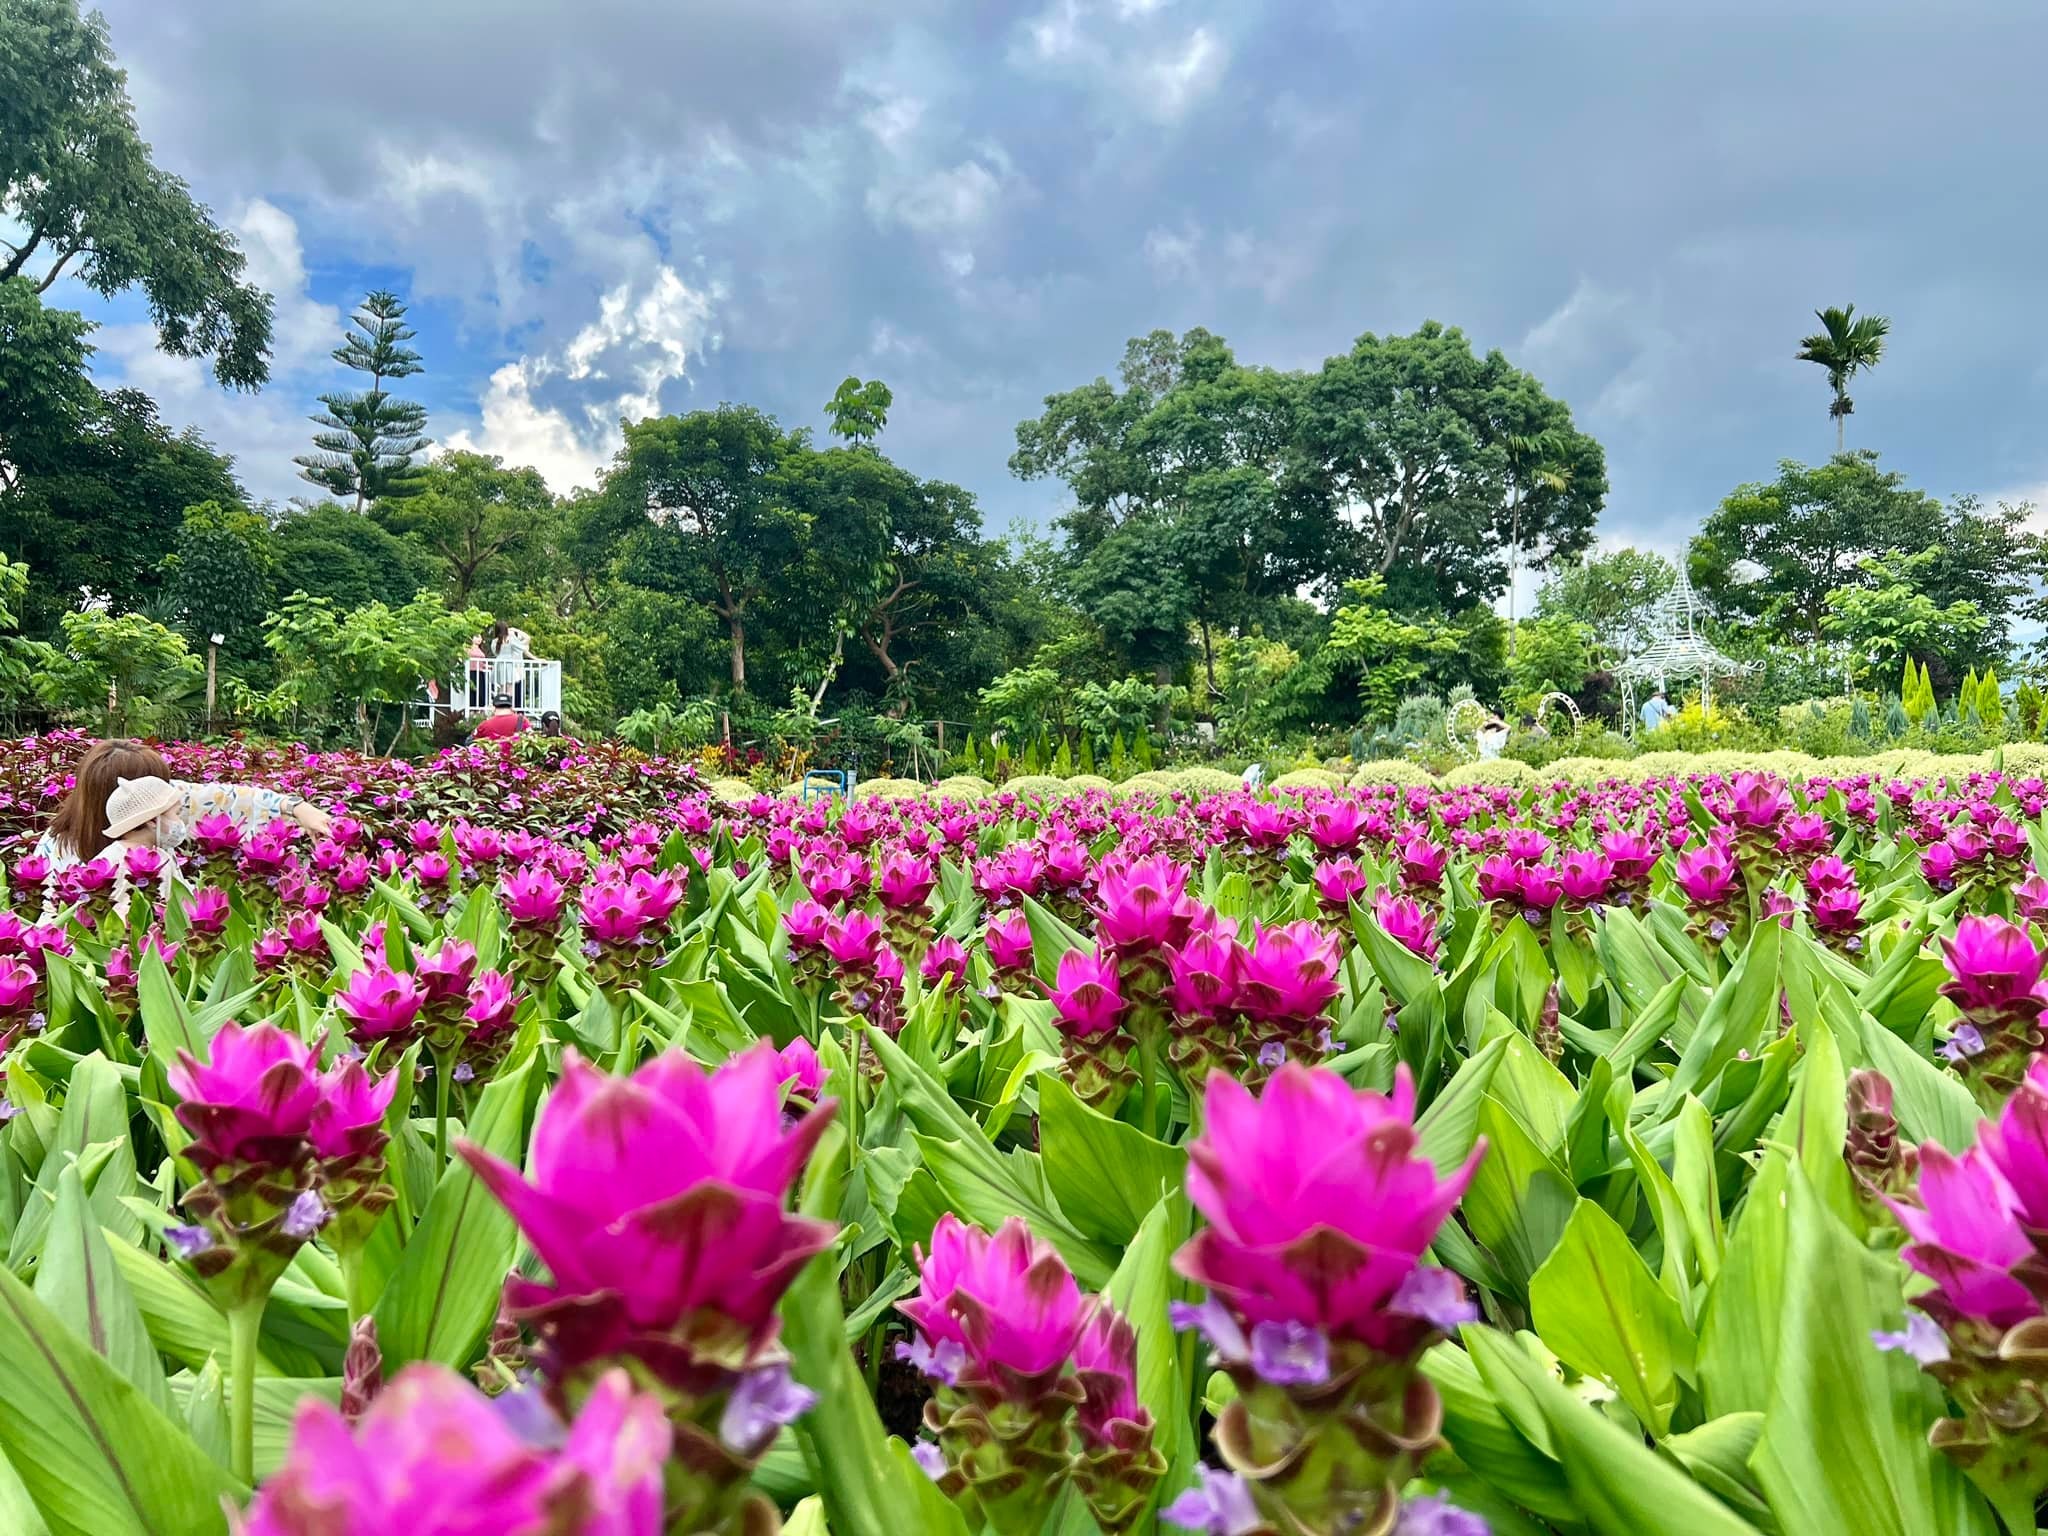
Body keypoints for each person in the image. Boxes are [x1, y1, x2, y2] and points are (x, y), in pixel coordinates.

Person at [33, 739, 334, 872]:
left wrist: (297, 808)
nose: (173, 796)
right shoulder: (58, 849)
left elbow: (232, 799)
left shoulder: (166, 797)